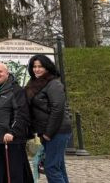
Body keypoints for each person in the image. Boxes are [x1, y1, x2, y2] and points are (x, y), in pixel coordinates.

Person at [25, 54, 71, 183]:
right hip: (44, 130)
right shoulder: (34, 83)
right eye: (34, 66)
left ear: (47, 67)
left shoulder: (53, 83)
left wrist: (48, 134)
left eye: (40, 66)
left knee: (51, 167)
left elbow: (58, 109)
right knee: (58, 166)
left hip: (57, 131)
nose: (37, 69)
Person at [0, 62, 32, 183]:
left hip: (10, 140)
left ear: (7, 73)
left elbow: (21, 113)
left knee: (14, 174)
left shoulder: (15, 90)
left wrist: (12, 132)